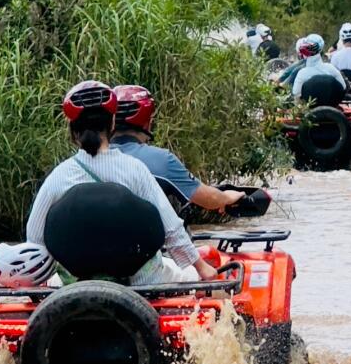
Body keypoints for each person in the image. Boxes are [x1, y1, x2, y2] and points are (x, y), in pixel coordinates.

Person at [26, 81, 219, 284]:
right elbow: (171, 229)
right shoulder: (135, 170)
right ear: (112, 124)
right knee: (189, 276)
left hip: (74, 286)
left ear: (73, 131)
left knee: (54, 281)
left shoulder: (58, 177)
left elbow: (34, 241)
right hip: (142, 282)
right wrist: (202, 268)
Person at [109, 84, 246, 213]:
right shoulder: (162, 160)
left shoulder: (93, 158)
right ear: (148, 121)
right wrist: (227, 197)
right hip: (147, 236)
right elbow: (210, 199)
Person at [291, 34, 347, 105]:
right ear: (321, 49)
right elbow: (343, 87)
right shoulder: (331, 69)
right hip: (334, 111)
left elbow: (296, 96)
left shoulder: (302, 73)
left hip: (310, 112)